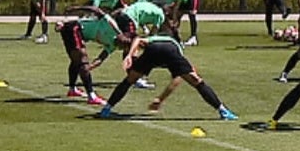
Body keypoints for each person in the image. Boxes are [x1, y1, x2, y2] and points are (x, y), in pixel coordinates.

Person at [96, 33, 238, 121]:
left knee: (129, 81)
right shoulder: (175, 47)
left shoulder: (155, 39)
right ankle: (222, 110)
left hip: (154, 51)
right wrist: (161, 99)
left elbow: (138, 39)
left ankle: (106, 109)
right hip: (168, 51)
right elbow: (177, 80)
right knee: (197, 82)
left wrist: (129, 55)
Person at [58, 5, 125, 106]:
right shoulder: (112, 25)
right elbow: (95, 9)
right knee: (81, 58)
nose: (122, 44)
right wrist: (75, 8)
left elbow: (101, 58)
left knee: (77, 61)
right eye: (125, 41)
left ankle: (72, 89)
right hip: (74, 28)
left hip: (75, 32)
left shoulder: (113, 46)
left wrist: (90, 67)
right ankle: (91, 96)